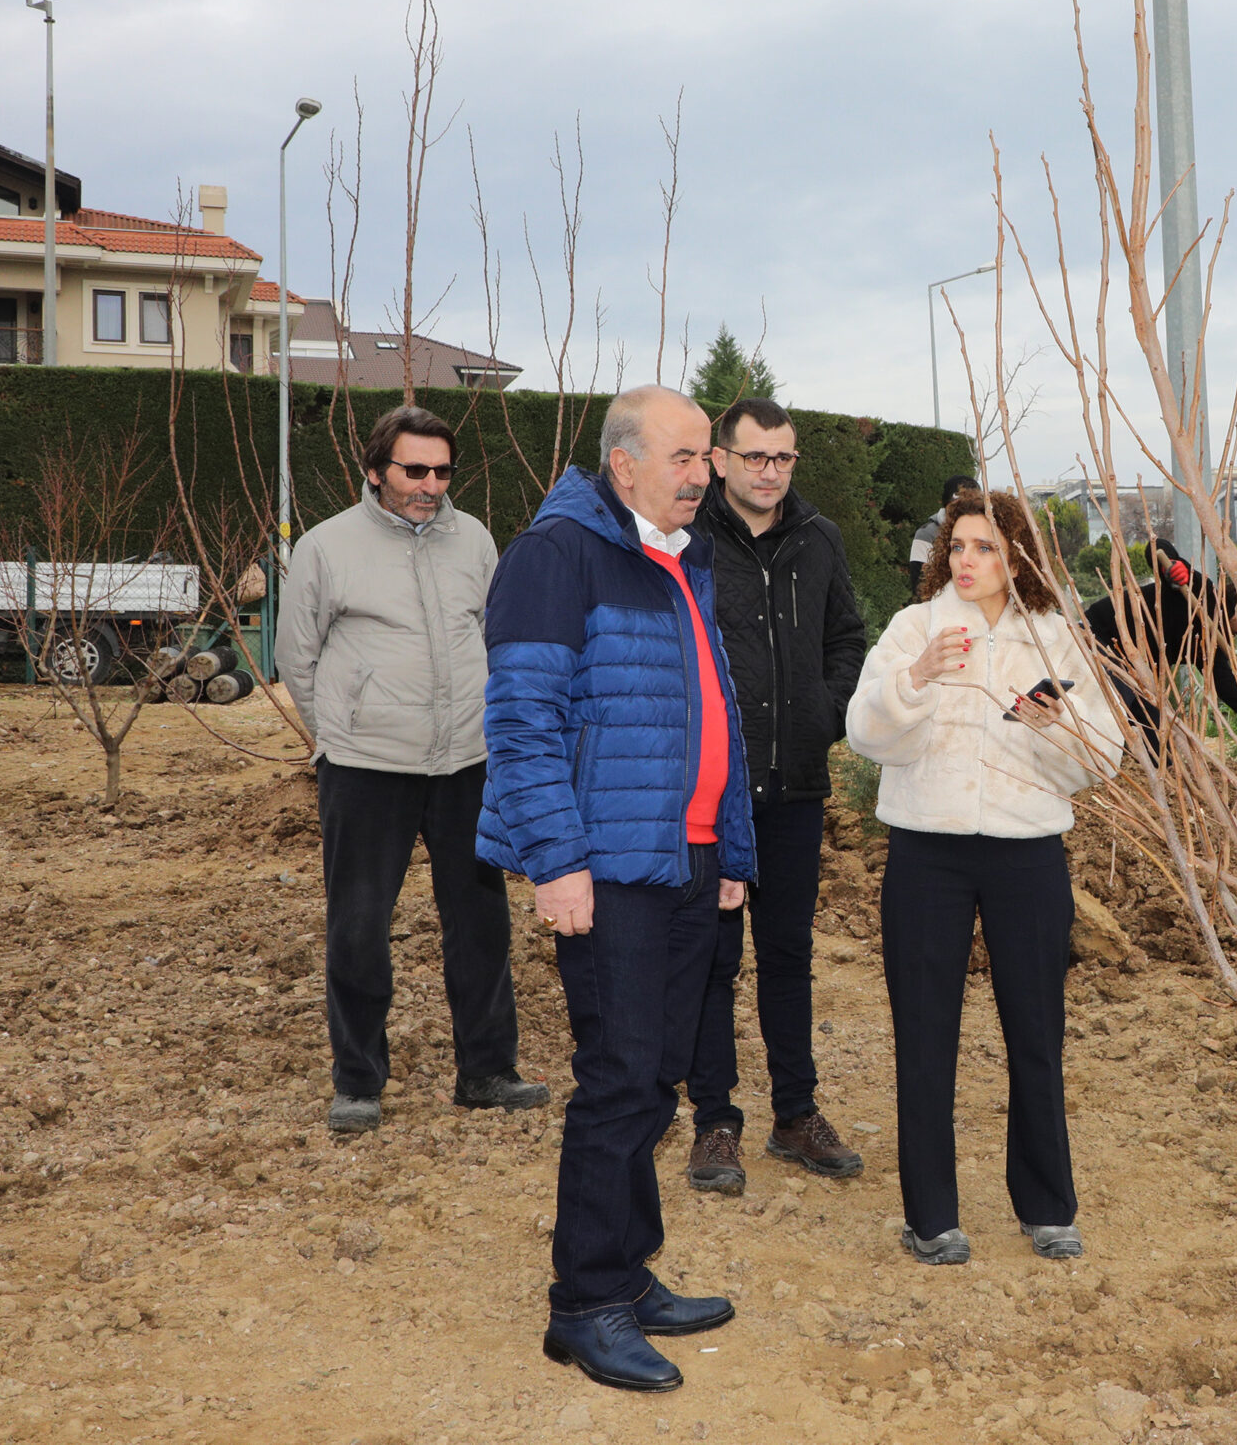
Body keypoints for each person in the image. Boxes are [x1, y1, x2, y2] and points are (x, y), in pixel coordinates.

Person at [478, 386, 749, 1394]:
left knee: (657, 1075)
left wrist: (730, 850)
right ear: (623, 464)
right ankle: (584, 1304)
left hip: (685, 860)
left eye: (706, 456)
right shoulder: (557, 556)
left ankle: (628, 1275)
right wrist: (555, 861)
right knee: (618, 1078)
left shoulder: (682, 558)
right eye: (685, 455)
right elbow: (522, 721)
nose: (703, 473)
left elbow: (712, 711)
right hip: (608, 867)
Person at [846, 489, 1122, 1266]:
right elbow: (863, 733)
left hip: (1026, 855)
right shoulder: (915, 629)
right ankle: (931, 1217)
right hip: (926, 855)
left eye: (986, 547)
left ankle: (1048, 1206)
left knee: (1036, 1033)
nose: (967, 560)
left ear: (1018, 559)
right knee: (924, 1036)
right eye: (958, 546)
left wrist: (1055, 725)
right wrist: (915, 680)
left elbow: (1105, 756)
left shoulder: (1055, 640)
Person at [279, 405, 544, 1136]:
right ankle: (358, 1080)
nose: (431, 485)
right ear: (375, 471)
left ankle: (487, 1071)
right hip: (367, 769)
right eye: (414, 470)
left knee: (481, 923)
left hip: (466, 762)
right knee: (359, 926)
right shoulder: (327, 546)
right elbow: (296, 655)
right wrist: (342, 732)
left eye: (442, 471)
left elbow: (494, 633)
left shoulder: (475, 540)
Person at [683, 397, 869, 1194]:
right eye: (755, 456)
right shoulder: (688, 539)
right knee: (712, 960)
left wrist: (824, 713)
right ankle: (715, 1122)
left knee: (788, 955)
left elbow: (846, 638)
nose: (769, 471)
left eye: (783, 458)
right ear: (720, 459)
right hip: (714, 791)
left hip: (794, 786)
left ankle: (796, 1114)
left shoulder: (818, 538)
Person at [1081, 536, 1237, 753]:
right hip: (1100, 634)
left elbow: (1225, 684)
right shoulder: (1201, 591)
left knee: (1159, 745)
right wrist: (1175, 566)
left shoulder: (1212, 643)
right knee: (1117, 709)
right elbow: (1156, 545)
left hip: (1135, 665)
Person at [906, 475, 978, 593]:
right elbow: (920, 586)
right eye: (955, 508)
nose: (960, 513)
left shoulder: (984, 534)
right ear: (945, 505)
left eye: (967, 509)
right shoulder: (927, 535)